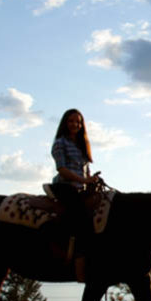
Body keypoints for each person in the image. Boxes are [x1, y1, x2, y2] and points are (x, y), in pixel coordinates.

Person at [49, 108, 101, 280]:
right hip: (65, 187)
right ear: (65, 123)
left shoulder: (82, 145)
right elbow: (62, 169)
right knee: (82, 220)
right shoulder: (60, 143)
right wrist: (84, 181)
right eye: (71, 121)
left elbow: (86, 171)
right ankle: (79, 263)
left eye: (78, 122)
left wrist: (91, 180)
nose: (75, 125)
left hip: (81, 188)